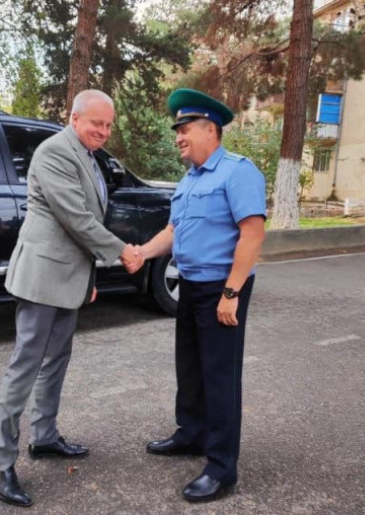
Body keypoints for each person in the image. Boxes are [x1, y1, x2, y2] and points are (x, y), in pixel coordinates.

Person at [0, 89, 144, 507]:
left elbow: (84, 221)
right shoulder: (55, 152)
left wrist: (87, 277)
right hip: (41, 278)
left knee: (56, 361)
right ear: (74, 119)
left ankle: (44, 437)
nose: (103, 131)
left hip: (68, 277)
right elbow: (76, 218)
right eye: (96, 123)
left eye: (108, 125)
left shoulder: (86, 155)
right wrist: (121, 252)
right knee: (25, 366)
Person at [139, 88, 266, 503]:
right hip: (190, 284)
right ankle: (191, 434)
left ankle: (222, 467)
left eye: (185, 129)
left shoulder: (237, 172)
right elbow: (173, 231)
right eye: (177, 130)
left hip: (221, 286)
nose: (178, 137)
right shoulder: (189, 180)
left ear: (210, 129)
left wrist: (231, 292)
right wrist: (142, 253)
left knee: (219, 375)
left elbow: (252, 233)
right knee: (190, 367)